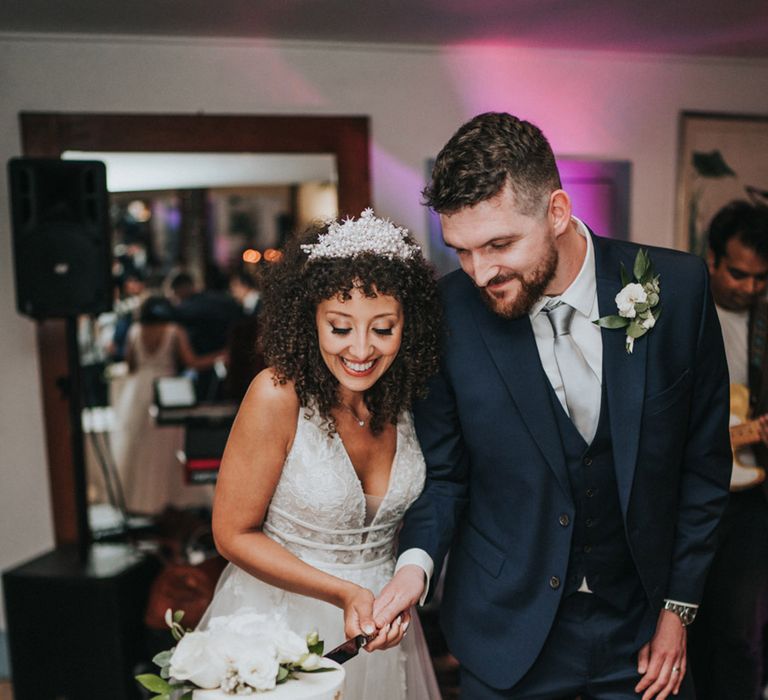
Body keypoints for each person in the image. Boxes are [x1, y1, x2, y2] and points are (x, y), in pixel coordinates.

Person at [373, 112, 732, 699]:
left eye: (499, 244)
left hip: (643, 631)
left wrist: (678, 610)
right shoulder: (444, 316)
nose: (480, 272)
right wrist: (414, 567)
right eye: (461, 251)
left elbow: (703, 465)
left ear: (558, 211)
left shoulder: (680, 289)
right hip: (506, 632)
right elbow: (444, 476)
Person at [198, 210, 443, 700]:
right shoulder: (277, 395)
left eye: (383, 328)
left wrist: (392, 592)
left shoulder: (408, 398)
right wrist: (343, 592)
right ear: (309, 318)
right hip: (280, 624)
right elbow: (231, 534)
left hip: (382, 627)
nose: (361, 349)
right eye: (340, 327)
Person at [688, 201, 768, 700]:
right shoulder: (680, 309)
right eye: (738, 273)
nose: (749, 287)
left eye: (761, 278)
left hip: (752, 499)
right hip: (689, 493)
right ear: (712, 258)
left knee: (740, 631)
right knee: (684, 624)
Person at [111, 295, 224, 515]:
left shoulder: (135, 331)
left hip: (138, 391)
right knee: (168, 447)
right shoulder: (174, 330)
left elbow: (130, 364)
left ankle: (141, 502)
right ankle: (170, 499)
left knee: (140, 445)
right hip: (167, 390)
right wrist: (220, 356)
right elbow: (192, 362)